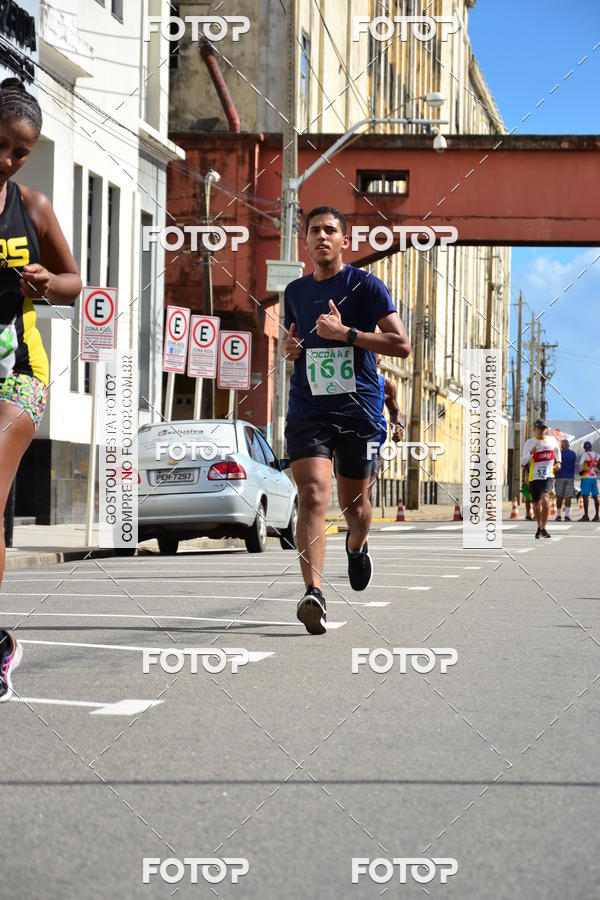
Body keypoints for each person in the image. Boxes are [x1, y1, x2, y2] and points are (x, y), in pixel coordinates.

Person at [283, 206, 410, 634]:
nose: (322, 236)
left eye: (330, 230)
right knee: (313, 495)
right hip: (308, 408)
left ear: (344, 240)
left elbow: (401, 344)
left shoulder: (366, 286)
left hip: (358, 411)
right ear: (306, 240)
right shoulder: (295, 291)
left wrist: (349, 335)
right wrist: (291, 347)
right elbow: (294, 339)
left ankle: (357, 547)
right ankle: (312, 593)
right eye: (314, 230)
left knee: (354, 506)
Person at [0, 78, 81, 701]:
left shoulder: (33, 206)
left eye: (19, 152)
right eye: (1, 145)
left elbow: (76, 283)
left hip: (18, 370)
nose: (7, 159)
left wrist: (46, 282)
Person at [368, 354, 404, 501]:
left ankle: (361, 523)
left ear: (378, 362)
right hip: (345, 441)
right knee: (348, 494)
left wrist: (397, 427)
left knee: (364, 493)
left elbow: (395, 412)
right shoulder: (347, 379)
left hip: (373, 444)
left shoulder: (385, 385)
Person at [521, 419, 561, 539]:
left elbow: (557, 451)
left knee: (545, 498)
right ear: (534, 429)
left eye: (543, 428)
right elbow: (523, 461)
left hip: (548, 475)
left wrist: (558, 462)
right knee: (536, 504)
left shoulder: (551, 440)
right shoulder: (529, 442)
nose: (541, 430)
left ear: (546, 430)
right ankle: (539, 527)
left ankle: (544, 527)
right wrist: (531, 453)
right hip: (534, 477)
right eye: (539, 428)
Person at [577, 439, 600, 522]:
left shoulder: (585, 454)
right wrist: (596, 471)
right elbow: (598, 467)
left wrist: (581, 472)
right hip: (594, 478)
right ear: (591, 447)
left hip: (586, 477)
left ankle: (586, 515)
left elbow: (580, 464)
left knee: (585, 496)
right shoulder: (597, 455)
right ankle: (597, 515)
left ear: (584, 448)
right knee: (595, 496)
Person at [555, 438, 576, 521]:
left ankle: (558, 515)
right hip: (570, 477)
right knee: (568, 496)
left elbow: (555, 465)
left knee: (559, 496)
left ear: (561, 446)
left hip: (560, 477)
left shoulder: (559, 454)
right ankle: (567, 515)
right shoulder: (573, 454)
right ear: (569, 445)